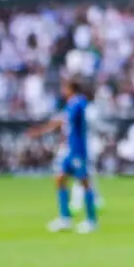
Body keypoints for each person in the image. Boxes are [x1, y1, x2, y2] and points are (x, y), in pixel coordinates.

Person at [27, 78, 98, 234]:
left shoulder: (78, 103)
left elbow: (64, 121)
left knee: (85, 182)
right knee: (60, 179)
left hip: (78, 150)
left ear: (71, 88)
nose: (63, 91)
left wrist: (41, 131)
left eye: (65, 88)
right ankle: (65, 219)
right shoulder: (72, 104)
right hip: (70, 149)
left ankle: (91, 221)